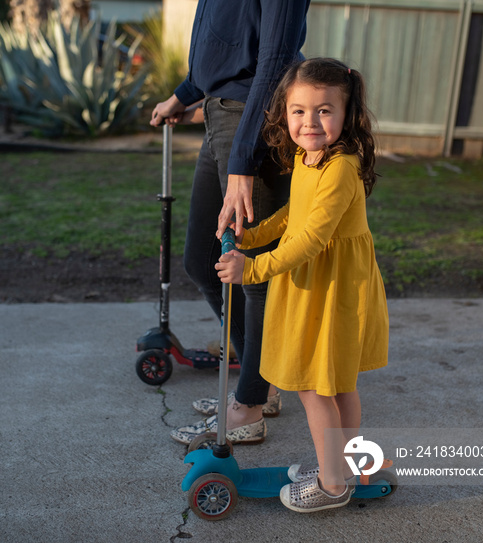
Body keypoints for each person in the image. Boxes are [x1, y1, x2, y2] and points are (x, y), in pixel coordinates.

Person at [215, 57, 389, 512]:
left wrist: (251, 269)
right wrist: (252, 237)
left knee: (317, 386)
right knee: (337, 384)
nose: (309, 122)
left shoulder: (340, 167)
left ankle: (333, 484)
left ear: (346, 114)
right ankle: (347, 465)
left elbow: (312, 238)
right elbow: (294, 215)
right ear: (284, 112)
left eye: (324, 111)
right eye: (298, 110)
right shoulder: (309, 156)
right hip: (320, 282)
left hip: (332, 288)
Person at [150, 0, 311, 445]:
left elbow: (275, 60)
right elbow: (225, 42)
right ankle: (260, 382)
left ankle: (250, 404)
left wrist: (243, 158)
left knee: (252, 273)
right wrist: (184, 94)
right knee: (203, 262)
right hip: (219, 112)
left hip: (250, 119)